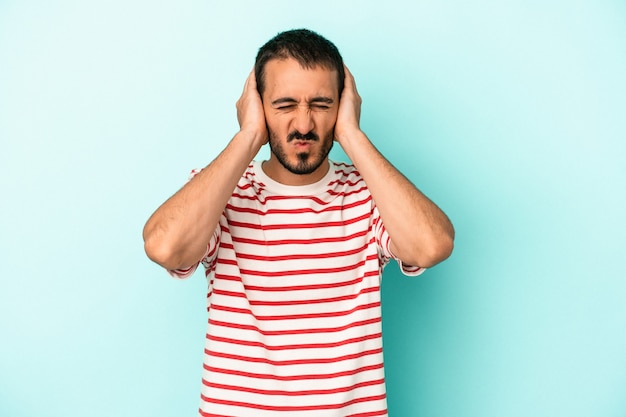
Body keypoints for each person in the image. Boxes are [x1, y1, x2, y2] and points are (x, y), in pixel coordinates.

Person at [143, 28, 454, 417]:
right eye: (285, 104)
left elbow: (433, 245)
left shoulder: (369, 194)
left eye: (322, 104)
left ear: (343, 106)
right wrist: (248, 136)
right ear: (257, 105)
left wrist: (353, 136)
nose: (303, 124)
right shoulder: (223, 192)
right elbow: (164, 247)